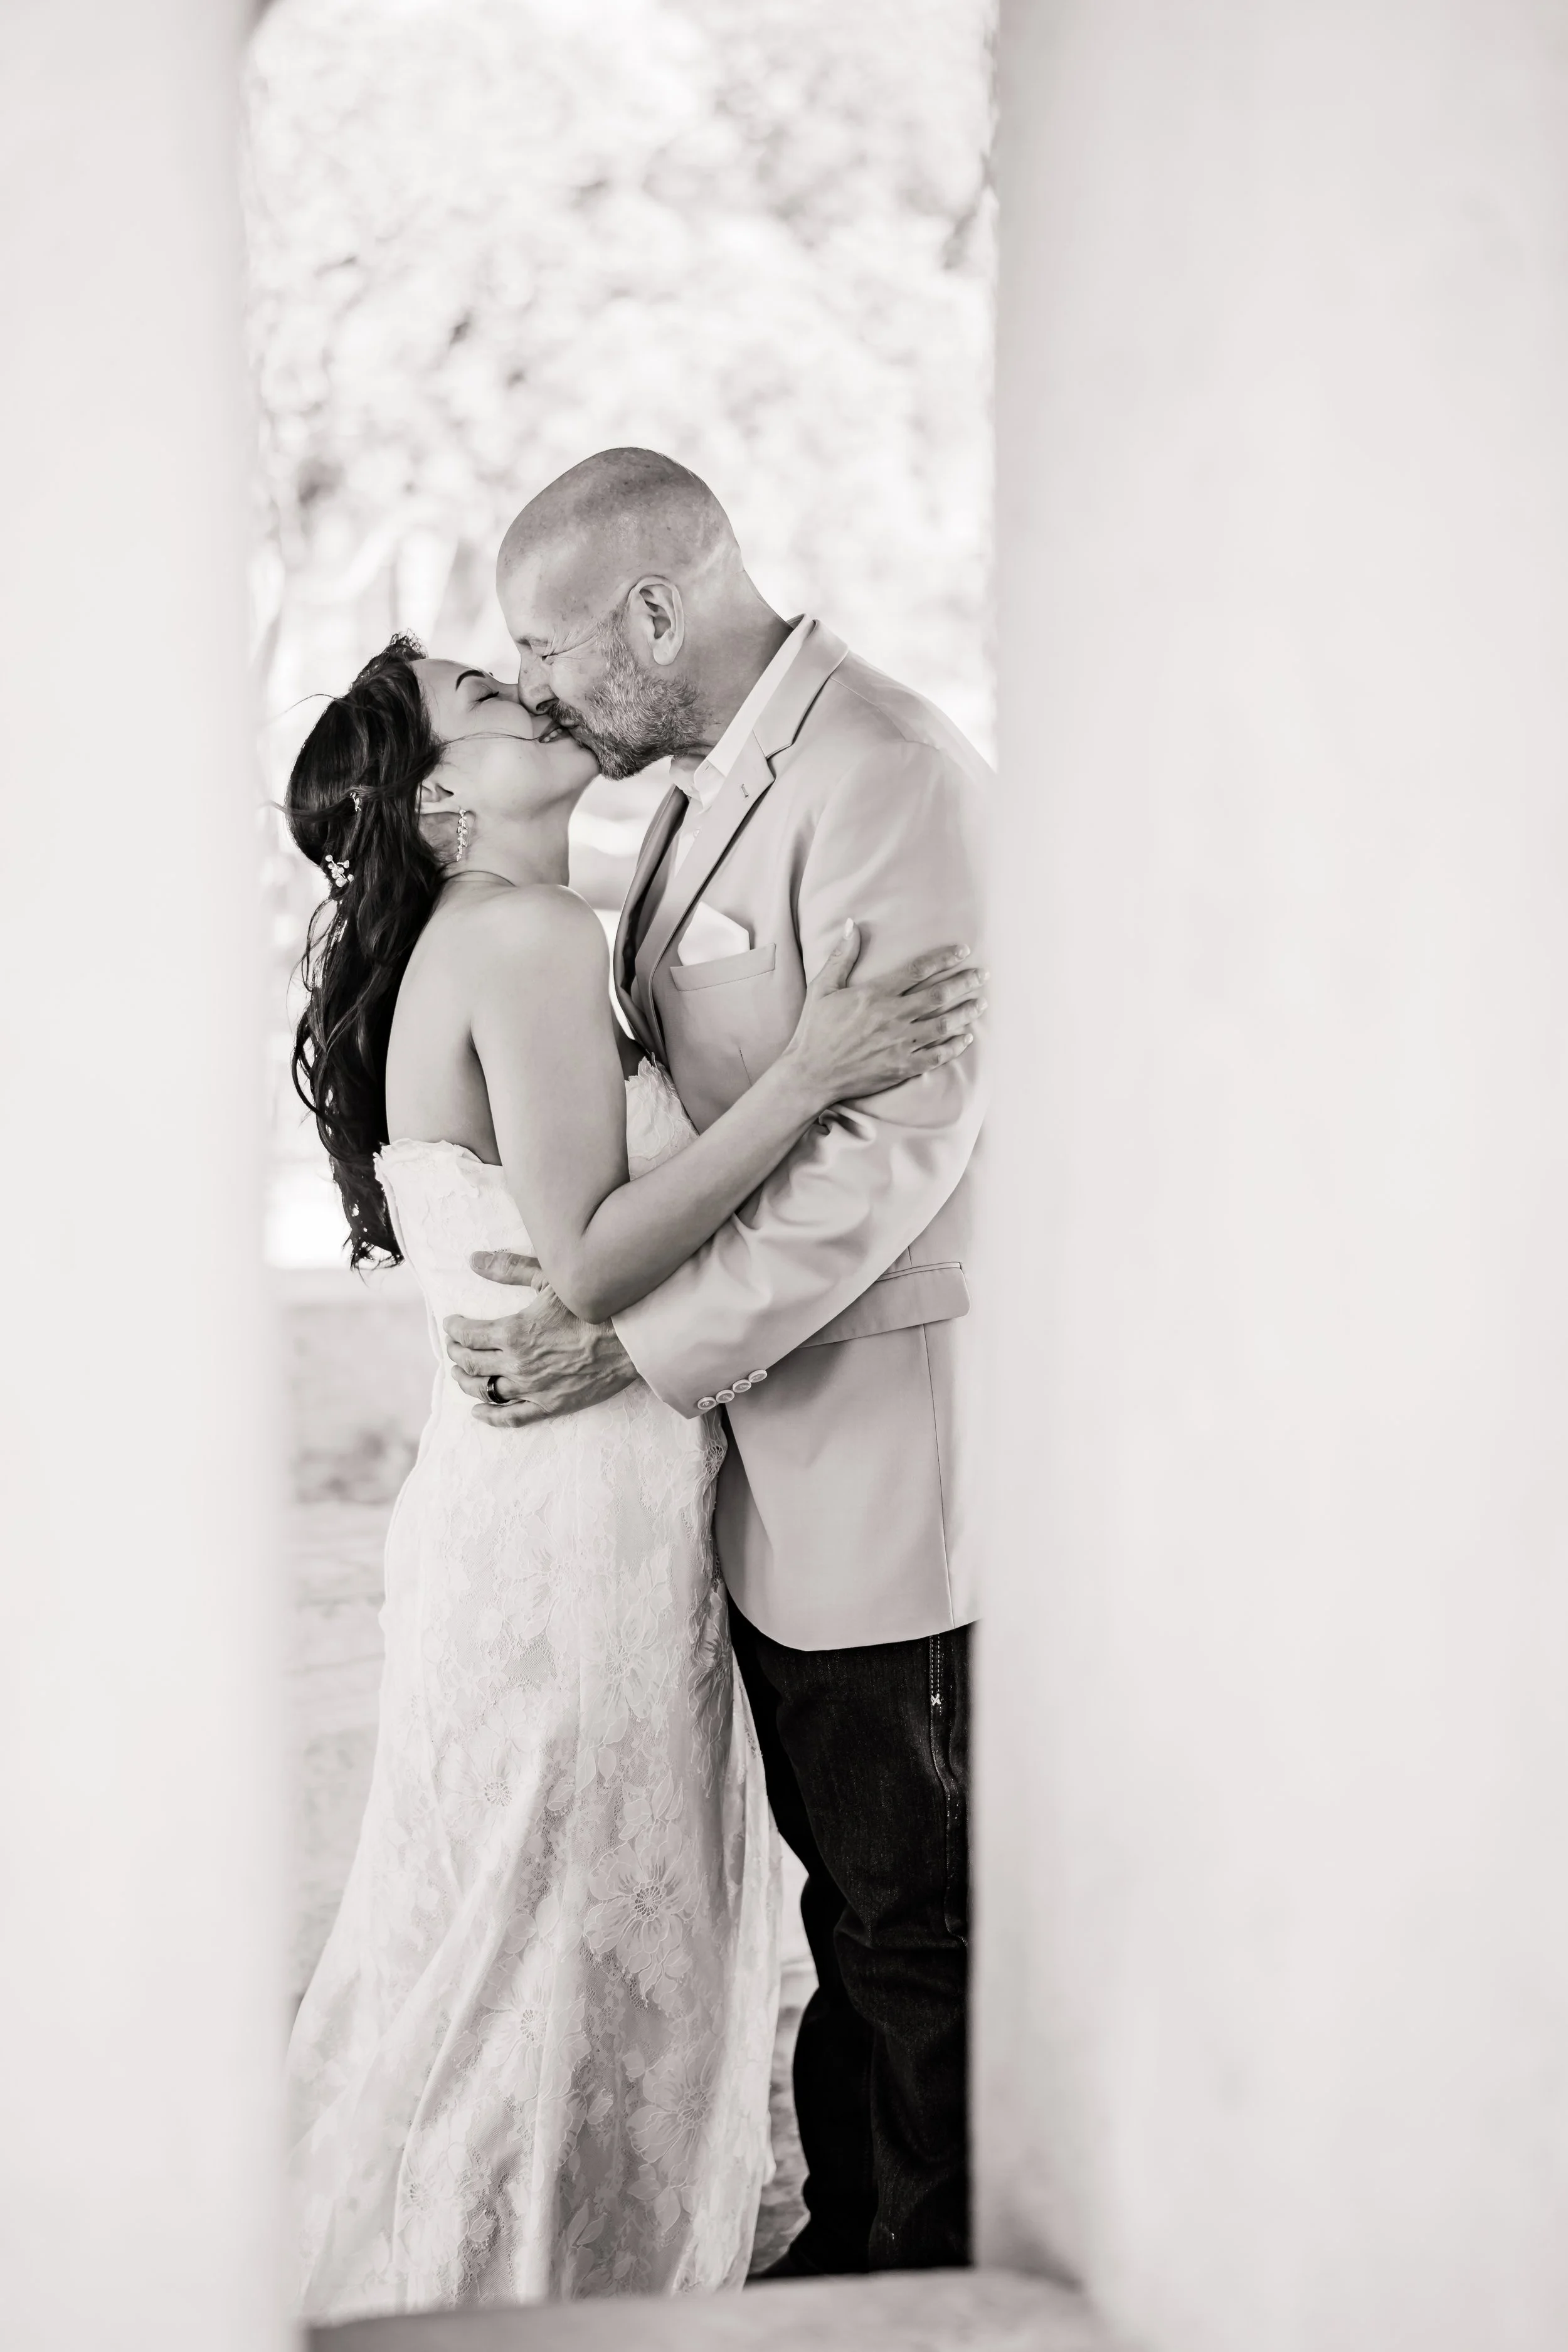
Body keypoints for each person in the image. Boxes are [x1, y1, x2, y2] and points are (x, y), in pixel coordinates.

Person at [281, 633, 983, 2322]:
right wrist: (811, 1072)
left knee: (538, 1932)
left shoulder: (523, 924)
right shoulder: (517, 935)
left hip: (563, 1492)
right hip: (566, 1523)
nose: (529, 690)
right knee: (560, 1943)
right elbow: (593, 1264)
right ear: (440, 802)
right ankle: (526, 2295)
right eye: (484, 694)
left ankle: (530, 2282)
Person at [443, 448, 990, 2275]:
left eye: (549, 645)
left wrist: (631, 1344)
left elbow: (899, 1150)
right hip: (766, 1462)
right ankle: (848, 2248)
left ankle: (923, 2285)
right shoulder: (699, 787)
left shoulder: (886, 773)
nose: (537, 686)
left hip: (891, 1457)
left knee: (923, 1927)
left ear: (656, 610)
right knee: (858, 1910)